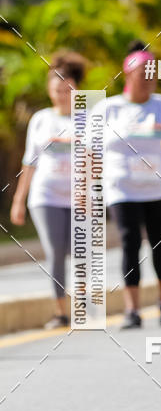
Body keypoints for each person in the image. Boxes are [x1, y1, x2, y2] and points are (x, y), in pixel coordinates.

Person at [99, 42, 161, 329]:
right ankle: (132, 310)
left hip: (159, 187)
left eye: (152, 73)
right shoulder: (108, 108)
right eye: (142, 73)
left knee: (159, 243)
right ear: (127, 75)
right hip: (123, 189)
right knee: (129, 242)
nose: (148, 79)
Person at [10, 51, 87, 329]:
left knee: (79, 251)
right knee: (54, 252)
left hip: (80, 196)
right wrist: (19, 200)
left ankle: (82, 307)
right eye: (56, 90)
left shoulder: (89, 117)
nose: (61, 95)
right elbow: (29, 161)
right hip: (45, 196)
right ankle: (60, 311)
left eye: (66, 89)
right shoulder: (40, 119)